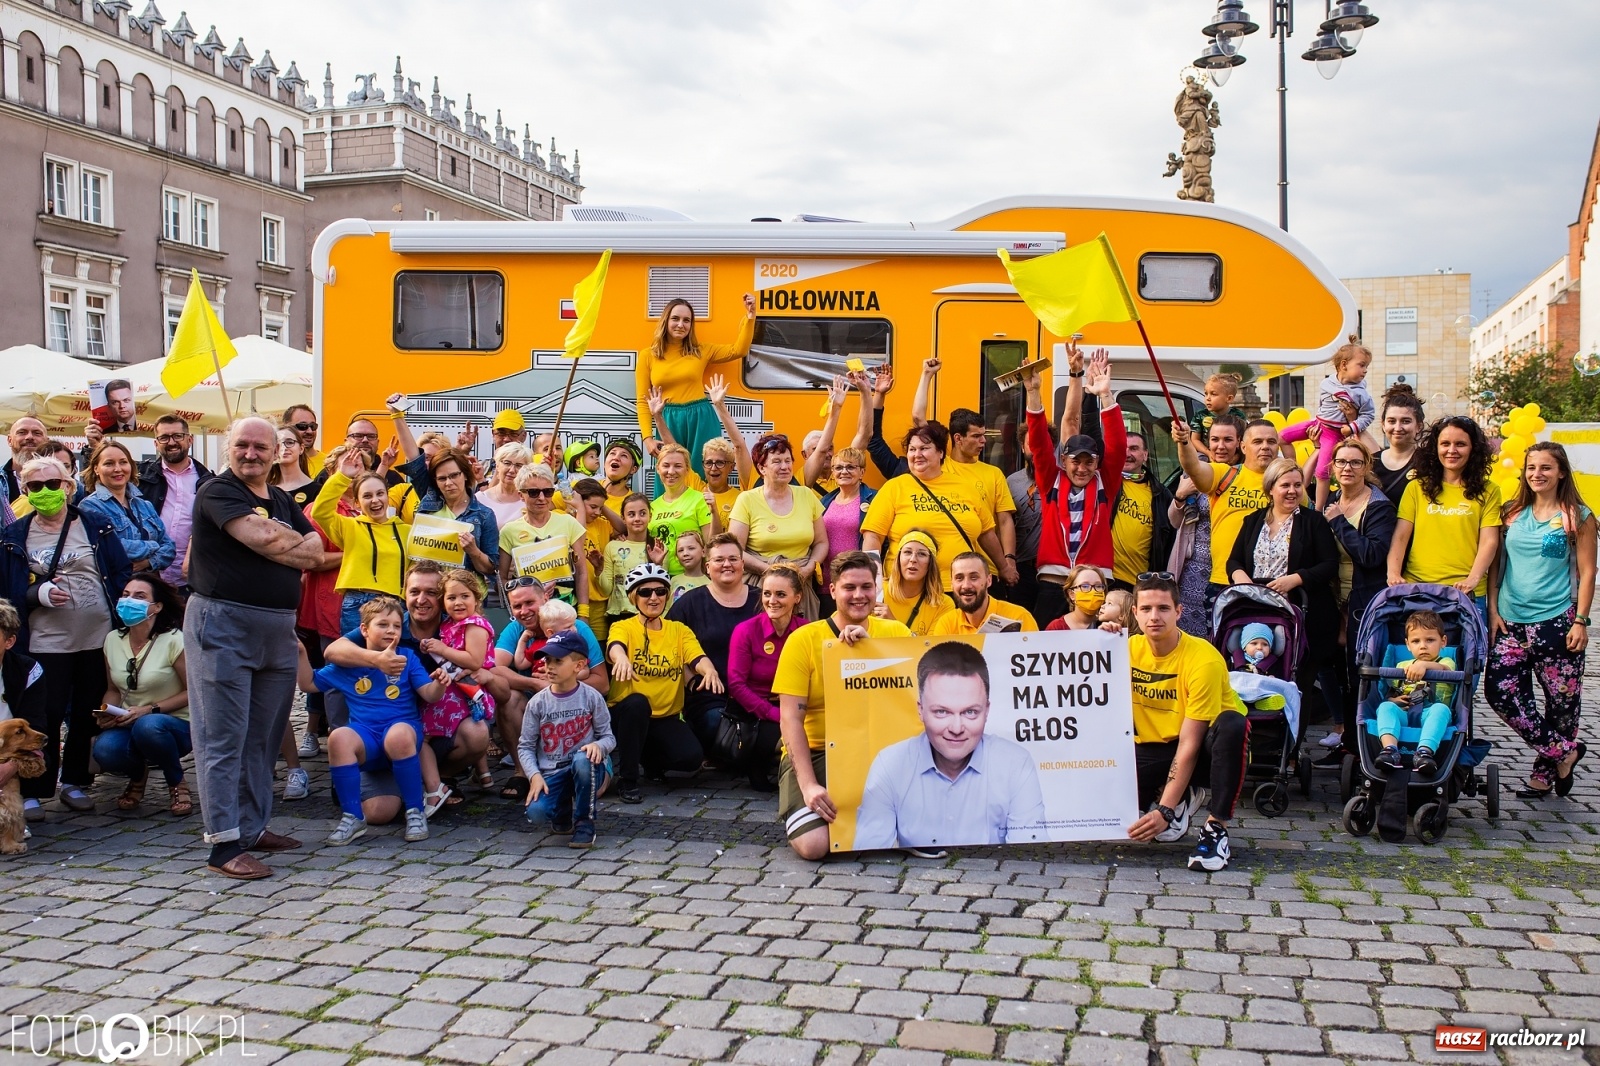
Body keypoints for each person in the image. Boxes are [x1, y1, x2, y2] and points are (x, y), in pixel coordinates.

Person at [184, 417, 322, 880]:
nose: (251, 453)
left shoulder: (279, 498)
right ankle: (223, 844)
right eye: (242, 444)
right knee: (222, 736)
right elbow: (266, 537)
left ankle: (253, 827)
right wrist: (283, 543)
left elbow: (316, 549)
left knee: (264, 734)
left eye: (261, 446)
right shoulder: (218, 492)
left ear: (276, 451)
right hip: (223, 623)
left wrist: (285, 544)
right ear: (228, 447)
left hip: (277, 628)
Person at [0, 455, 130, 821]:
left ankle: (75, 781)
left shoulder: (94, 524)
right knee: (46, 714)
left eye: (52, 484)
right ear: (25, 490)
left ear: (68, 486)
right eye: (35, 486)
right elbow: (7, 590)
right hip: (45, 641)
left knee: (87, 713)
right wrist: (35, 594)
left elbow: (119, 570)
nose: (45, 491)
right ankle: (34, 789)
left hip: (96, 638)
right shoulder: (14, 535)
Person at [326, 561, 501, 813]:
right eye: (414, 591)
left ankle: (437, 780)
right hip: (384, 728)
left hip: (430, 725)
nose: (421, 599)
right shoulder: (392, 624)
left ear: (441, 597)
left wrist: (485, 674)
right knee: (380, 812)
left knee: (477, 732)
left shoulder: (455, 626)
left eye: (431, 592)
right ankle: (389, 781)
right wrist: (376, 659)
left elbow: (491, 675)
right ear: (403, 593)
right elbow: (333, 651)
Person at [774, 552, 913, 860]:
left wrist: (872, 650)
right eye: (849, 587)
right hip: (818, 750)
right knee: (813, 845)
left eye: (866, 587)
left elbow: (916, 700)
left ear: (876, 589)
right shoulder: (803, 640)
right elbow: (790, 720)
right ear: (833, 590)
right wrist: (809, 786)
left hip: (878, 750)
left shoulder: (896, 633)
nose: (859, 595)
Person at [852, 640, 1045, 851]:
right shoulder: (889, 765)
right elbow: (870, 854)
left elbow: (1029, 855)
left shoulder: (1016, 764)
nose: (956, 728)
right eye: (942, 712)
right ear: (920, 710)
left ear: (987, 711)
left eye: (970, 712)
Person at [1486, 442, 1596, 798]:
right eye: (1531, 467)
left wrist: (1581, 621)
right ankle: (1564, 753)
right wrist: (1493, 609)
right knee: (1500, 693)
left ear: (1561, 472)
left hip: (1557, 622)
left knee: (1561, 704)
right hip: (1510, 622)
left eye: (1546, 467)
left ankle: (1543, 774)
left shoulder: (1578, 515)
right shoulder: (1511, 513)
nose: (1537, 474)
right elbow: (1496, 566)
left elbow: (1588, 572)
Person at [298, 595, 448, 846]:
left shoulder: (406, 657)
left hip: (402, 734)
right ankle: (352, 816)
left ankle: (415, 811)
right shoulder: (348, 664)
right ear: (364, 630)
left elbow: (429, 695)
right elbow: (308, 684)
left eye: (397, 626)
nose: (391, 630)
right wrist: (301, 653)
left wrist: (439, 684)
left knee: (398, 734)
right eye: (383, 624)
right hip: (366, 738)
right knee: (339, 737)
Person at [1123, 573, 1248, 872]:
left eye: (1164, 608)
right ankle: (1180, 798)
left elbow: (1190, 742)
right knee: (1115, 806)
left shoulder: (1204, 659)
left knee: (1233, 723)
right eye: (1146, 609)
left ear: (1179, 612)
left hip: (1207, 750)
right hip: (1156, 747)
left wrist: (1164, 811)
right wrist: (1100, 640)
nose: (1154, 617)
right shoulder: (1124, 649)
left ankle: (1216, 829)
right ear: (1135, 613)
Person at [606, 563, 723, 803]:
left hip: (664, 716)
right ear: (633, 597)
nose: (654, 597)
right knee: (637, 703)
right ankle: (627, 780)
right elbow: (616, 646)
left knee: (690, 759)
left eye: (660, 591)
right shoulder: (623, 626)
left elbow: (696, 656)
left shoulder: (678, 630)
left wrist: (709, 670)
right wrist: (621, 659)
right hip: (627, 714)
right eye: (645, 592)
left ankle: (650, 760)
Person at [1021, 353, 1124, 623]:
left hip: (1094, 581)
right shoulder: (1051, 480)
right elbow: (1039, 442)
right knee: (1046, 640)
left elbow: (1118, 446)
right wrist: (1033, 392)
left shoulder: (1105, 483)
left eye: (1089, 462)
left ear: (1097, 463)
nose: (1082, 469)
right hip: (1054, 579)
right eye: (1075, 461)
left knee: (1095, 642)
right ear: (1064, 460)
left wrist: (1106, 395)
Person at [492, 578, 609, 799]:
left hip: (573, 711)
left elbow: (602, 683)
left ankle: (589, 764)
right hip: (536, 708)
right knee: (508, 698)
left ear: (545, 597)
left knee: (589, 792)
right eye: (517, 606)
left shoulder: (573, 627)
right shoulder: (517, 630)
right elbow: (494, 669)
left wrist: (562, 686)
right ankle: (523, 772)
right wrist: (537, 684)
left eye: (529, 603)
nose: (524, 611)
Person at [1319, 438, 1397, 763]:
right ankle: (1346, 739)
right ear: (1332, 467)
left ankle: (1359, 749)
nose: (1347, 468)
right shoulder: (1331, 499)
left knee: (1359, 675)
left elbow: (1372, 555)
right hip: (1335, 600)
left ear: (1366, 467)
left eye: (1355, 462)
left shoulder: (1379, 507)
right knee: (1332, 669)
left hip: (1364, 602)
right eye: (1341, 462)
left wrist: (1338, 521)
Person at [90, 574, 191, 816]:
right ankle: (137, 776)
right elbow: (113, 689)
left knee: (149, 726)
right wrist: (106, 711)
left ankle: (176, 781)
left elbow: (194, 692)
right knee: (105, 749)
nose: (129, 601)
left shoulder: (174, 640)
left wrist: (148, 710)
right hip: (129, 722)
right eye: (125, 595)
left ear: (157, 607)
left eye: (139, 596)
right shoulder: (113, 639)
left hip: (174, 723)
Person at [861, 422, 1006, 590]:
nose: (917, 454)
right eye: (912, 449)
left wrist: (1004, 567)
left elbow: (987, 533)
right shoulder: (894, 488)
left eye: (924, 448)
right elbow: (873, 538)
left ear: (940, 453)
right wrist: (874, 583)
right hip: (909, 590)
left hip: (960, 588)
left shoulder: (965, 487)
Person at [636, 293, 757, 475]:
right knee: (670, 474)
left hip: (700, 417)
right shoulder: (648, 355)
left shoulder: (701, 351)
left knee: (705, 473)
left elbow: (738, 350)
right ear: (665, 321)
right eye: (675, 318)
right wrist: (647, 438)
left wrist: (750, 316)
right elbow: (642, 400)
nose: (681, 324)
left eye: (687, 320)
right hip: (667, 419)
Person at [1387, 416, 1501, 606]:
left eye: (1460, 444)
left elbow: (1489, 541)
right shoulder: (1416, 487)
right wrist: (1393, 573)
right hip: (1418, 589)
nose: (1451, 450)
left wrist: (1472, 579)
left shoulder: (1489, 490)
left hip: (1466, 593)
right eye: (1445, 444)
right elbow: (1400, 537)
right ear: (1435, 448)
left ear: (1473, 448)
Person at [518, 628, 615, 848]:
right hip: (552, 771)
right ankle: (561, 812)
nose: (549, 666)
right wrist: (534, 775)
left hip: (586, 767)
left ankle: (584, 822)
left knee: (582, 761)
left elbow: (608, 737)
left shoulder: (591, 697)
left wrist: (598, 746)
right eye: (547, 660)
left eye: (558, 661)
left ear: (578, 666)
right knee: (536, 813)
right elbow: (525, 746)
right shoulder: (537, 703)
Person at [666, 534, 760, 756]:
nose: (727, 564)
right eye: (719, 560)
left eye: (733, 559)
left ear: (742, 564)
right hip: (709, 697)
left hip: (757, 692)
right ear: (708, 566)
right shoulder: (689, 603)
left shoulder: (762, 601)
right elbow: (669, 646)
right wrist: (690, 681)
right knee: (718, 726)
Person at [1174, 416, 1281, 608]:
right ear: (1243, 446)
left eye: (1271, 442)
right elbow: (1193, 467)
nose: (1265, 447)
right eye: (1258, 441)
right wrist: (1184, 441)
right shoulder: (1225, 473)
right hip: (1224, 581)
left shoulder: (1287, 483)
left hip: (1272, 585)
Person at [313, 450, 410, 634]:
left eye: (380, 494)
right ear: (357, 503)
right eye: (367, 496)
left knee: (390, 653)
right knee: (355, 653)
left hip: (396, 604)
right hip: (358, 604)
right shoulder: (350, 527)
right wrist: (341, 476)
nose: (375, 500)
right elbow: (320, 512)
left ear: (387, 497)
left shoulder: (406, 531)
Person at [726, 565, 805, 791]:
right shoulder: (746, 630)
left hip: (794, 706)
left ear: (797, 597)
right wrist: (773, 713)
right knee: (777, 733)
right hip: (754, 710)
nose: (772, 601)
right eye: (767, 593)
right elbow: (736, 684)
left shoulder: (806, 631)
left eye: (781, 594)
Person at [419, 568, 499, 789]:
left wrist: (442, 649)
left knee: (423, 734)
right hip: (457, 688)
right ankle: (483, 773)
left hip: (465, 691)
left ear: (476, 598)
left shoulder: (474, 624)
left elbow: (474, 660)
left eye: (465, 596)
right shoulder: (450, 624)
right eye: (451, 597)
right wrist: (430, 647)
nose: (458, 602)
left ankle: (430, 780)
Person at [730, 435, 826, 615]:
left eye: (788, 461)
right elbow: (735, 550)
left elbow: (821, 543)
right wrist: (771, 572)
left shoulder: (806, 495)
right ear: (761, 468)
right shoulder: (747, 500)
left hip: (800, 584)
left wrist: (807, 570)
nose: (784, 466)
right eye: (776, 461)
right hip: (759, 587)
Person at [1278, 337, 1376, 510]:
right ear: (1344, 365)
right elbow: (1323, 404)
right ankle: (1291, 468)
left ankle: (1319, 509)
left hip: (1333, 432)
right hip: (1318, 424)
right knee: (1283, 437)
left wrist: (1352, 427)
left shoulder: (1361, 394)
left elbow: (1368, 415)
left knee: (1322, 472)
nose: (1365, 370)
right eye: (1362, 365)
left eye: (1366, 366)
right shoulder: (1327, 383)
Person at [1372, 610, 1455, 776]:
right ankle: (1389, 750)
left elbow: (1446, 670)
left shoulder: (1446, 662)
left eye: (1430, 640)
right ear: (1408, 644)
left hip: (1431, 714)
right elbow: (1391, 692)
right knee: (1385, 707)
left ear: (1443, 641)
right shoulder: (1402, 666)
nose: (1423, 646)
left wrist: (1424, 665)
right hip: (1404, 713)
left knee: (1441, 709)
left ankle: (1424, 752)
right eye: (1416, 641)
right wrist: (1394, 700)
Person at [138, 415, 215, 592]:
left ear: (190, 440)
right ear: (156, 444)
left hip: (193, 579)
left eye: (178, 436)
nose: (172, 442)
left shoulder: (209, 482)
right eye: (164, 437)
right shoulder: (141, 477)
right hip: (149, 577)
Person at [79, 441, 177, 578]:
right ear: (96, 469)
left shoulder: (145, 505)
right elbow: (113, 547)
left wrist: (148, 562)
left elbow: (169, 548)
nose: (117, 469)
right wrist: (153, 546)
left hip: (150, 585)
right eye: (109, 463)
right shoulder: (90, 507)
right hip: (117, 585)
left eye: (123, 462)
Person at [499, 463, 589, 608]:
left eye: (548, 492)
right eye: (534, 492)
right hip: (528, 612)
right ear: (521, 495)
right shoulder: (509, 531)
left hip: (566, 609)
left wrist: (584, 613)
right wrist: (526, 593)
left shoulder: (568, 522)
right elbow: (501, 580)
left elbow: (581, 572)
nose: (541, 498)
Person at [1111, 431, 1176, 591]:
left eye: (1134, 448)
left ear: (1145, 455)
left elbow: (1169, 542)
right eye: (1123, 448)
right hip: (1106, 578)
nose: (1127, 454)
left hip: (1140, 582)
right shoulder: (1107, 484)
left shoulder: (1161, 495)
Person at [0, 600, 47, 812]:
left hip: (10, 752)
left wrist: (10, 767)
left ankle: (22, 801)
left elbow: (36, 725)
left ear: (9, 641)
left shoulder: (28, 670)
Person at [817, 446, 876, 597]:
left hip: (858, 585)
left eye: (850, 467)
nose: (844, 471)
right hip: (827, 583)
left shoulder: (874, 500)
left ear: (862, 472)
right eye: (838, 468)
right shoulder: (824, 501)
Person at [932, 552, 1039, 635]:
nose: (966, 585)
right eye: (959, 578)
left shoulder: (1018, 617)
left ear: (989, 580)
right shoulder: (946, 623)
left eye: (974, 577)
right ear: (951, 584)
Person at [648, 444, 712, 577]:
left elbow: (710, 543)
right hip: (658, 577)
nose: (671, 471)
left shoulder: (699, 500)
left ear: (687, 470)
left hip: (691, 577)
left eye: (678, 466)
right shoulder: (652, 507)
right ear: (658, 469)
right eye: (666, 465)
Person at [873, 530, 951, 636]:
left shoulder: (943, 604)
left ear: (931, 563)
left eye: (922, 554)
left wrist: (894, 625)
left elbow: (932, 646)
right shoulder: (876, 590)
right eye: (907, 552)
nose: (913, 559)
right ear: (898, 559)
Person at [595, 493, 657, 627]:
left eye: (642, 513)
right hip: (618, 616)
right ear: (623, 518)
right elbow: (606, 591)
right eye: (631, 514)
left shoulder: (657, 547)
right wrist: (599, 570)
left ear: (650, 516)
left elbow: (661, 590)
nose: (637, 518)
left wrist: (658, 564)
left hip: (649, 615)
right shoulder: (612, 546)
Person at [571, 479, 613, 639]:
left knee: (598, 647)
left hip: (598, 600)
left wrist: (602, 506)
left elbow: (622, 527)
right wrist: (579, 506)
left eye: (600, 508)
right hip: (573, 599)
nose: (598, 512)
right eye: (593, 507)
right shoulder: (565, 520)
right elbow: (578, 532)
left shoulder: (602, 524)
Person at [1374, 384, 1423, 501]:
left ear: (1419, 426)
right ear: (1383, 425)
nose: (1398, 428)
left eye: (1405, 421)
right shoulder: (1370, 463)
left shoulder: (1428, 462)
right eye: (1392, 421)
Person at [1188, 373, 1247, 457]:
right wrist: (1208, 453)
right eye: (1206, 393)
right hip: (1205, 455)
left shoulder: (1238, 416)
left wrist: (1237, 456)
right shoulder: (1200, 415)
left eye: (1213, 394)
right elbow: (1195, 439)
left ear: (1229, 398)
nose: (1208, 398)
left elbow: (1244, 440)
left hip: (1232, 455)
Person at [477, 442, 531, 528]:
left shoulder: (531, 499)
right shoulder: (480, 499)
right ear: (497, 466)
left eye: (518, 466)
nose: (512, 470)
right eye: (507, 463)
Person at [2, 416, 49, 512]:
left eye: (37, 433)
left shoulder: (64, 482)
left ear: (46, 442)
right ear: (10, 440)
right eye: (22, 432)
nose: (29, 437)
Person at [1044, 564, 1109, 631]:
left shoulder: (1109, 625)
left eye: (1098, 586)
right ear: (1071, 594)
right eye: (1085, 586)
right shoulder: (1056, 627)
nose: (1092, 591)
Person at [268, 426, 317, 508]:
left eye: (290, 442)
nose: (284, 448)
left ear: (301, 448)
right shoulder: (266, 490)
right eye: (278, 444)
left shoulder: (316, 490)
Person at [280, 404, 323, 476]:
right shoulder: (276, 465)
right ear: (287, 429)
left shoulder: (329, 464)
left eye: (313, 426)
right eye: (302, 426)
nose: (310, 431)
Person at [670, 530, 709, 602]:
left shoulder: (710, 584)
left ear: (703, 552)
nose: (685, 553)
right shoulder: (673, 581)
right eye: (681, 550)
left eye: (691, 548)